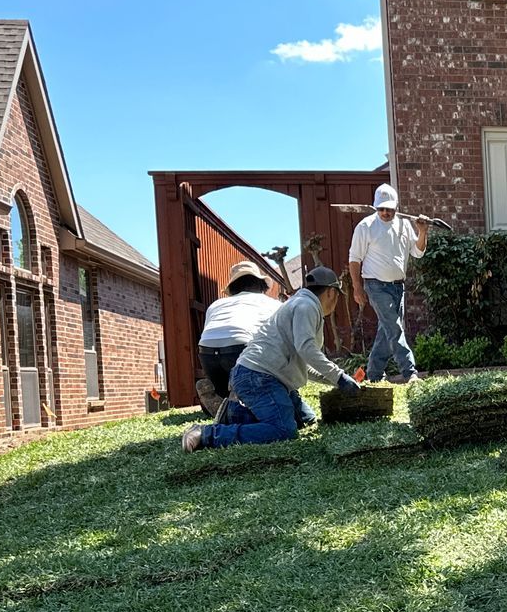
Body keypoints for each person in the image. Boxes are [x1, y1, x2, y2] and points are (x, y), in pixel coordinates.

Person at [181, 266, 361, 451]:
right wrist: (339, 376)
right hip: (258, 377)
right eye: (338, 295)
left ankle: (236, 415)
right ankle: (208, 434)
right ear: (331, 292)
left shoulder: (299, 305)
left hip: (261, 374)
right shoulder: (307, 307)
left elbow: (302, 361)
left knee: (306, 419)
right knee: (283, 430)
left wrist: (338, 382)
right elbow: (306, 348)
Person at [346, 183, 428, 384]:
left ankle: (373, 375)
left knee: (387, 330)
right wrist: (357, 287)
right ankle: (410, 373)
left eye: (388, 209)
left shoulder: (404, 225)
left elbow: (417, 252)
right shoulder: (366, 226)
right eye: (380, 208)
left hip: (398, 286)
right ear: (375, 207)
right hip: (375, 285)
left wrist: (423, 231)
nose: (384, 212)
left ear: (396, 208)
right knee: (395, 327)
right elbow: (354, 259)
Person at [196, 261, 281, 404]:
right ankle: (239, 401)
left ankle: (222, 398)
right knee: (261, 400)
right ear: (261, 285)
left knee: (225, 393)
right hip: (241, 350)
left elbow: (207, 333)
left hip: (207, 353)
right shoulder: (271, 303)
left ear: (233, 287)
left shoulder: (216, 305)